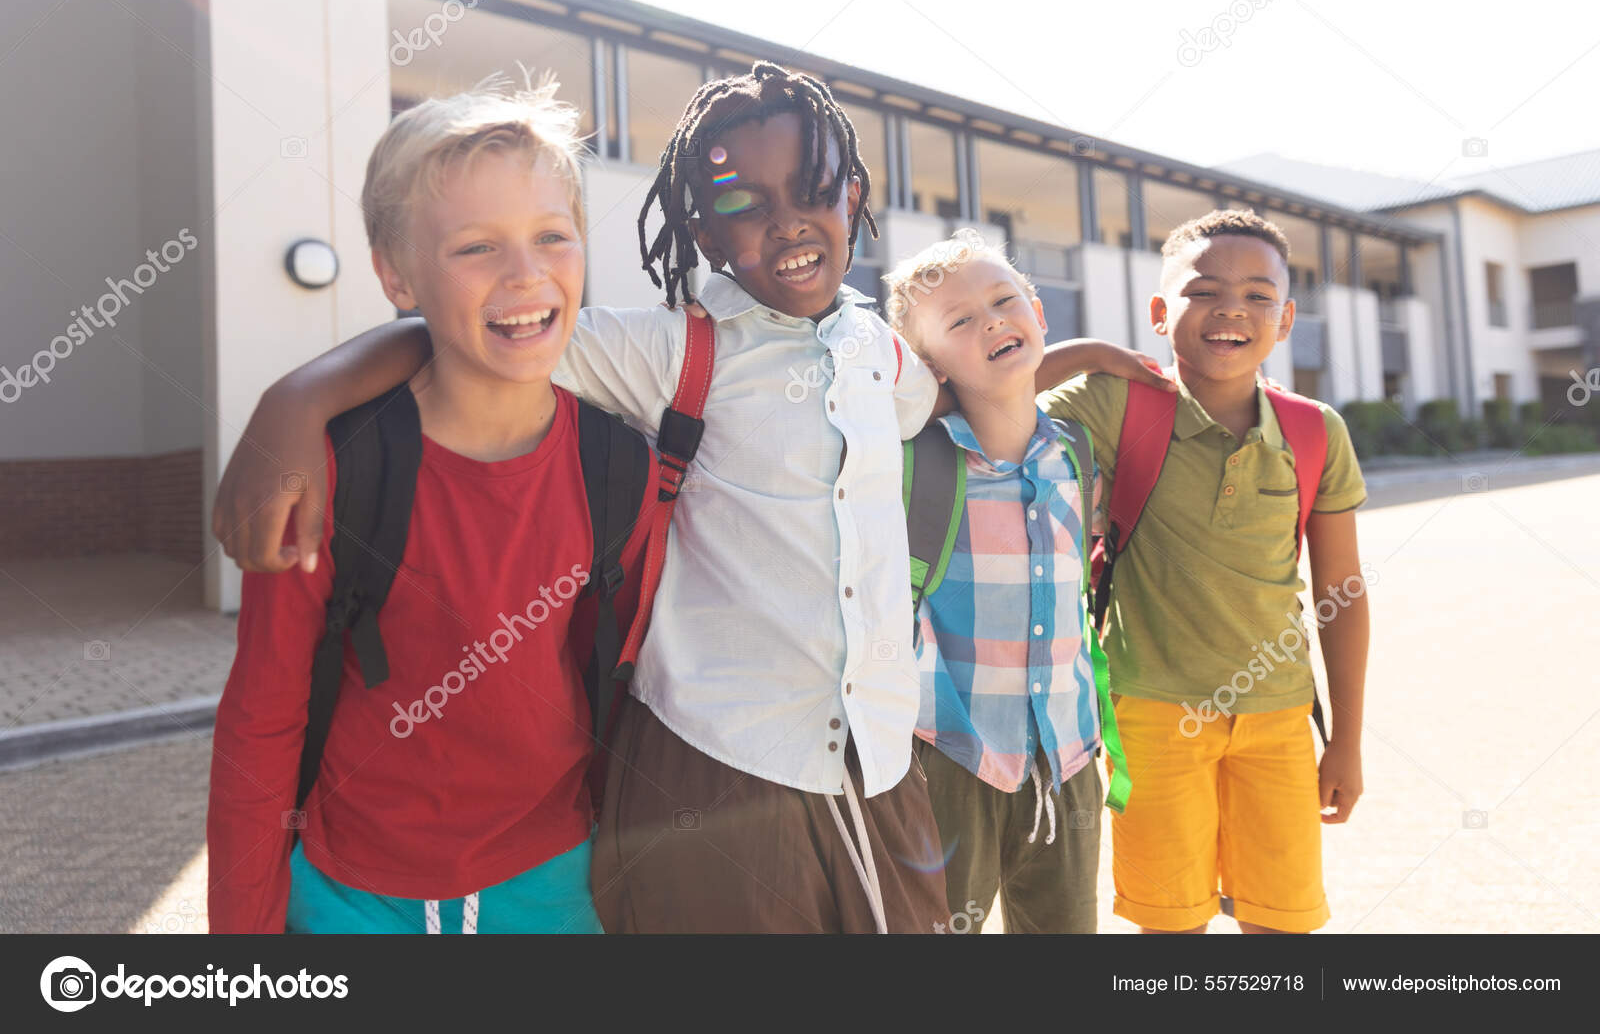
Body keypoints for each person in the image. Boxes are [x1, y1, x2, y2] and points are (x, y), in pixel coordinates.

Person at [209, 62, 1169, 933]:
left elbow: (969, 382)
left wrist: (1074, 356)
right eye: (744, 204)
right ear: (701, 230)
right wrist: (294, 404)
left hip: (880, 767)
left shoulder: (883, 355)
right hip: (718, 766)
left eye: (813, 191)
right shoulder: (675, 350)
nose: (788, 222)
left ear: (856, 196)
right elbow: (488, 334)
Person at [206, 78, 654, 933]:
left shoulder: (620, 467)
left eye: (551, 236)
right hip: (350, 893)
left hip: (557, 882)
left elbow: (627, 685)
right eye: (476, 248)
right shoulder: (333, 472)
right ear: (395, 274)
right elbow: (261, 723)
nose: (526, 275)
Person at [1041, 208, 1370, 934]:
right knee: (1170, 926)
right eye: (1204, 291)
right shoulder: (1113, 401)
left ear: (1284, 320)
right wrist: (1089, 350)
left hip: (1280, 719)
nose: (1231, 309)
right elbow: (988, 392)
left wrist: (1345, 737)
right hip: (1150, 713)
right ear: (1160, 312)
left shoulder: (1316, 430)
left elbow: (1340, 595)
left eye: (1257, 295)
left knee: (1281, 923)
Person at [883, 230, 1116, 933]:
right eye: (959, 321)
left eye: (1002, 300)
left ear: (1038, 312)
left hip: (1069, 755)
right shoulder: (910, 465)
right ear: (928, 366)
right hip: (951, 758)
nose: (989, 321)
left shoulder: (1078, 454)